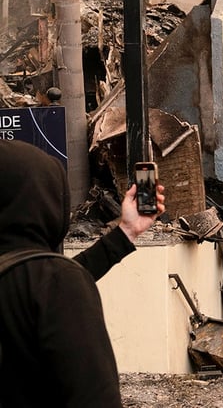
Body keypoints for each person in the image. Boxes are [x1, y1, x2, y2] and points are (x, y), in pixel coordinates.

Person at [0, 140, 165, 407]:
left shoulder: (40, 280)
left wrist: (126, 233)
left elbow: (42, 283)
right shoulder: (55, 283)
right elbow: (95, 395)